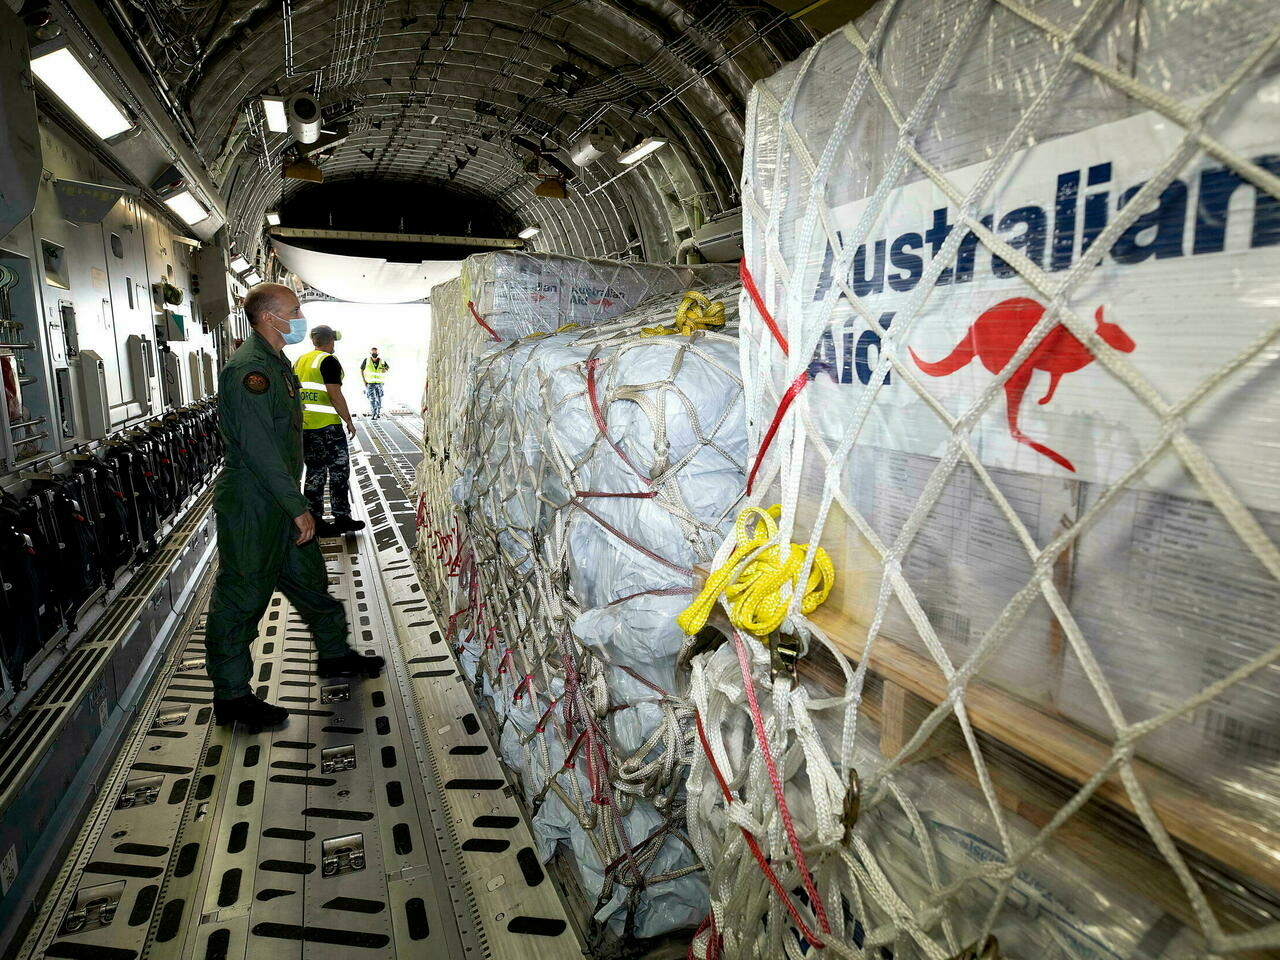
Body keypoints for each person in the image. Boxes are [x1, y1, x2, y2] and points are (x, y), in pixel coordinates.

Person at [205, 283, 383, 729]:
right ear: (270, 318)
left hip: (281, 496)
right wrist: (296, 505)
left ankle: (335, 655)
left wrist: (295, 502)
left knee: (310, 580)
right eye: (294, 309)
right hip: (255, 503)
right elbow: (260, 447)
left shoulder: (278, 363)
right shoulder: (250, 371)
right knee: (242, 597)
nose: (300, 316)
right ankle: (232, 698)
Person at [295, 325, 366, 536]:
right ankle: (342, 517)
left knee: (315, 473)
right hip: (327, 426)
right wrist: (348, 421)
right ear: (330, 341)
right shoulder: (328, 361)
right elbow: (334, 394)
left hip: (306, 426)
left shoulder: (300, 361)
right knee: (339, 471)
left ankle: (315, 520)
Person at [360, 346, 389, 418]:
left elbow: (387, 368)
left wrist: (385, 369)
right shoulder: (366, 360)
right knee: (372, 398)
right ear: (370, 353)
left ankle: (378, 412)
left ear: (378, 353)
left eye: (375, 353)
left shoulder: (382, 361)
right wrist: (364, 381)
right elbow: (361, 370)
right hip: (370, 383)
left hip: (380, 383)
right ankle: (374, 413)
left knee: (379, 398)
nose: (374, 354)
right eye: (373, 353)